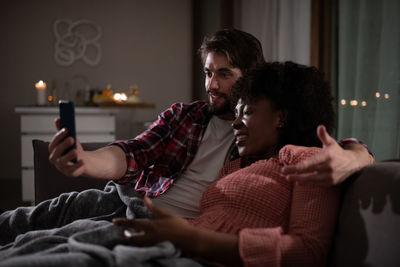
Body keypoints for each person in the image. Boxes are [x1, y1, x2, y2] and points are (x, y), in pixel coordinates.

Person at [48, 29, 372, 219]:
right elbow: (134, 153)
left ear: (250, 77)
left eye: (224, 74)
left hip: (173, 226)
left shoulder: (264, 132)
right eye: (208, 72)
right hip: (128, 200)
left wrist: (355, 156)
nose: (211, 85)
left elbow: (329, 146)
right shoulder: (186, 116)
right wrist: (84, 160)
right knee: (25, 221)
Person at [113, 62, 341, 266]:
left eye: (247, 112)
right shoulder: (234, 166)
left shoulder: (307, 160)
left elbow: (309, 252)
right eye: (236, 113)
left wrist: (193, 239)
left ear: (281, 117)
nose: (235, 123)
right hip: (178, 249)